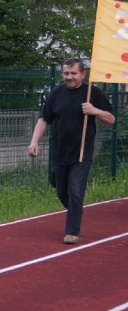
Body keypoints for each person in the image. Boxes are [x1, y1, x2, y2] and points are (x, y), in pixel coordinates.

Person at [28, 58, 114, 245]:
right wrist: (34, 142)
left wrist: (94, 111)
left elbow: (111, 119)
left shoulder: (93, 93)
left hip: (82, 152)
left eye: (73, 73)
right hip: (60, 152)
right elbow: (44, 119)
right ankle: (76, 210)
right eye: (66, 73)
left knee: (75, 191)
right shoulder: (57, 94)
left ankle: (72, 231)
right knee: (61, 191)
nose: (69, 77)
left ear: (83, 74)